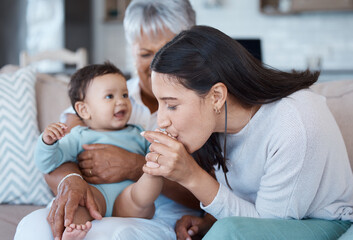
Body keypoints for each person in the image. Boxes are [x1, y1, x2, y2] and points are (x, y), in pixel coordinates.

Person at [139, 25, 353, 239]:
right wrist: (208, 222)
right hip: (264, 224)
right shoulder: (214, 127)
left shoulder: (294, 123)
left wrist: (191, 175)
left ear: (216, 96)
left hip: (327, 224)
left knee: (228, 231)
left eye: (172, 105)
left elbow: (263, 228)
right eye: (160, 103)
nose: (161, 121)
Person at [15, 1, 201, 240]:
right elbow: (55, 162)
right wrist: (73, 180)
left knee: (107, 233)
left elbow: (209, 193)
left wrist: (135, 166)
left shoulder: (201, 106)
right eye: (145, 53)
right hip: (96, 205)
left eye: (168, 51)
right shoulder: (103, 95)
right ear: (131, 50)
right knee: (33, 227)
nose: (157, 63)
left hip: (156, 215)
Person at [34, 62, 165, 240]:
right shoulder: (79, 136)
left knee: (151, 180)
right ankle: (70, 231)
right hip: (95, 196)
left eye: (125, 95)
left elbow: (153, 155)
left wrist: (157, 151)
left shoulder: (138, 132)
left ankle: (151, 176)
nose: (121, 101)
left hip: (130, 199)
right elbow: (48, 163)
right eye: (110, 96)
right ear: (84, 110)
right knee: (78, 203)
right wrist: (47, 143)